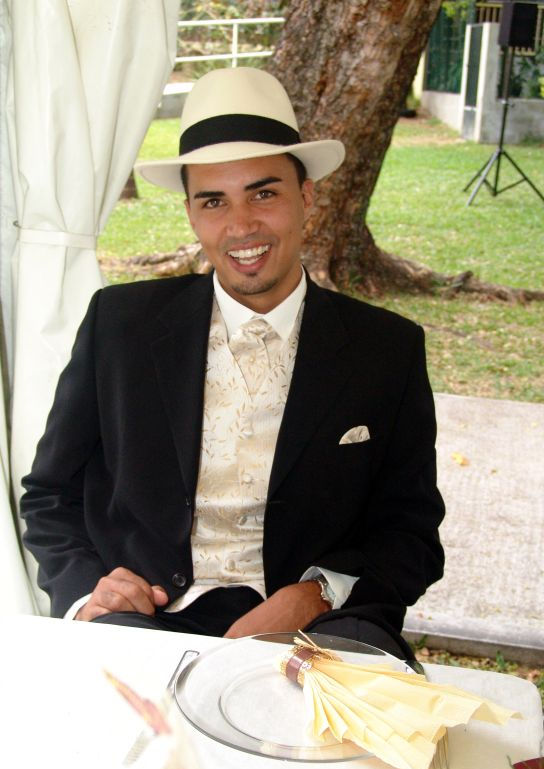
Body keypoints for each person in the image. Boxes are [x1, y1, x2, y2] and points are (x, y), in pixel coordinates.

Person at [20, 68, 445, 661]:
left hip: (318, 627)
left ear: (307, 197)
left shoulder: (386, 348)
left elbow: (411, 533)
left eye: (264, 193)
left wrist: (317, 594)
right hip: (145, 618)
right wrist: (87, 593)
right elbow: (49, 494)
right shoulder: (120, 324)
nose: (241, 226)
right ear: (191, 214)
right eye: (213, 201)